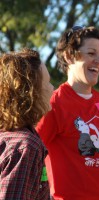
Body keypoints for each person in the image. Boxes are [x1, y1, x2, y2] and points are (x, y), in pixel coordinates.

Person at [36, 25, 99, 200]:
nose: (98, 61)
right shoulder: (53, 104)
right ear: (69, 56)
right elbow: (31, 153)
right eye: (91, 53)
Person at [0, 48, 53, 199]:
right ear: (31, 92)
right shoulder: (26, 147)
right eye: (47, 82)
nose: (52, 88)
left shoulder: (7, 137)